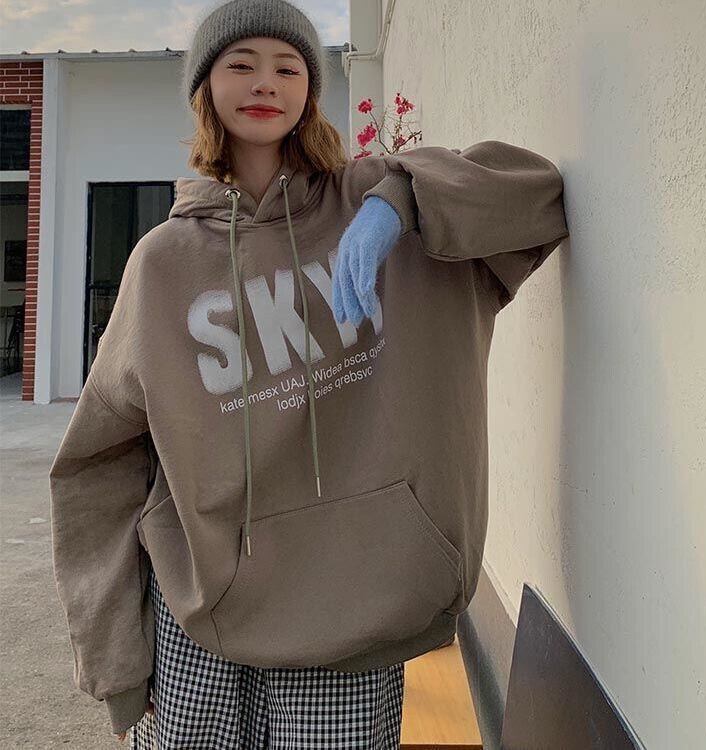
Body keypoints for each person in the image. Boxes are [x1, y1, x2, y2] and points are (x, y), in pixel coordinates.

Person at [48, 0, 570, 747]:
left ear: (310, 90)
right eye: (241, 64)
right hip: (200, 622)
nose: (265, 82)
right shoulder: (162, 264)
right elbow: (96, 468)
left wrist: (405, 200)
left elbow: (537, 192)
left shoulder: (380, 207)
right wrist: (117, 666)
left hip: (358, 610)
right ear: (205, 87)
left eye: (288, 67)